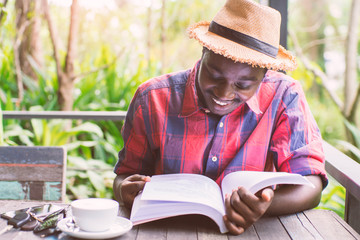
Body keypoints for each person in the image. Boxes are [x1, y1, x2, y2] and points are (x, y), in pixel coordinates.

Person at [113, 0, 328, 235]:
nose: (224, 94)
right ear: (203, 52)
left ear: (265, 75)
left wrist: (261, 207)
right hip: (163, 233)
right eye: (214, 75)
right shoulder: (152, 99)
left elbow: (311, 184)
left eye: (243, 84)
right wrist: (124, 189)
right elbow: (124, 177)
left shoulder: (284, 96)